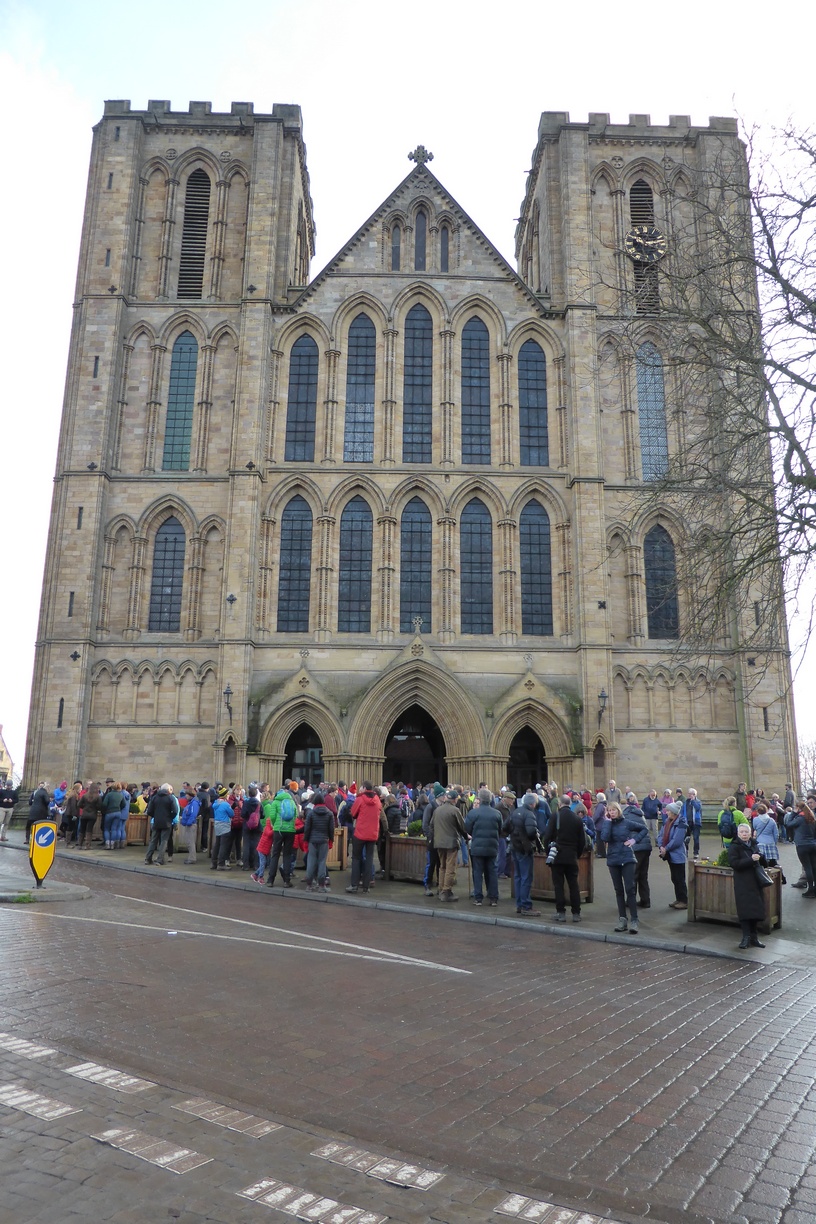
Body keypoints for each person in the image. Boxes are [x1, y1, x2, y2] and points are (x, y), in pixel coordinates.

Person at [544, 795, 585, 923]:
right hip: (572, 856)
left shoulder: (555, 816)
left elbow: (547, 837)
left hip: (557, 856)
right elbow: (582, 842)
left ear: (560, 804)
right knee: (574, 885)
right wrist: (576, 854)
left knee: (558, 885)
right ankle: (576, 913)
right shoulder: (577, 819)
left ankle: (561, 912)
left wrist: (548, 853)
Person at [727, 822, 769, 948]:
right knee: (745, 910)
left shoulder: (754, 844)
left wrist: (761, 857)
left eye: (746, 832)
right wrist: (751, 859)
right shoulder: (734, 847)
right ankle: (745, 937)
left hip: (755, 882)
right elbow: (734, 863)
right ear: (738, 834)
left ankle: (754, 937)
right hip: (742, 882)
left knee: (755, 910)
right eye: (742, 832)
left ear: (750, 833)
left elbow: (764, 864)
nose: (744, 835)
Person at [601, 801, 639, 933]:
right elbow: (604, 837)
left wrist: (634, 840)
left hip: (627, 858)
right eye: (609, 810)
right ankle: (622, 919)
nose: (612, 812)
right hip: (613, 859)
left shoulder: (627, 823)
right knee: (618, 890)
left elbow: (643, 829)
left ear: (618, 811)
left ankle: (634, 920)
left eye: (614, 810)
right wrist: (607, 822)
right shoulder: (608, 823)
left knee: (630, 889)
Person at [503, 794, 542, 917]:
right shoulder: (529, 814)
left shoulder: (515, 812)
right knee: (526, 877)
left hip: (515, 847)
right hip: (525, 848)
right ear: (533, 804)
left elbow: (505, 827)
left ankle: (520, 904)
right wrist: (534, 837)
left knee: (518, 877)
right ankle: (526, 905)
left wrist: (515, 834)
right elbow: (531, 832)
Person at [465, 788, 502, 906]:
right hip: (492, 846)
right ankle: (493, 898)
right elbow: (500, 830)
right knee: (492, 872)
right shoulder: (497, 813)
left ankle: (478, 897)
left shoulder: (473, 813)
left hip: (477, 847)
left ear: (479, 799)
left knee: (477, 872)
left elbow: (467, 829)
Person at [429, 789, 467, 902]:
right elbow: (462, 827)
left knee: (442, 867)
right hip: (451, 843)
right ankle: (446, 891)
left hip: (439, 842)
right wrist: (466, 836)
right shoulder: (455, 810)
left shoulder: (437, 810)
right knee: (450, 868)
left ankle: (441, 889)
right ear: (455, 800)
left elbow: (431, 825)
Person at [346, 781, 382, 894]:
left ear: (364, 788)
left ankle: (354, 885)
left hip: (360, 833)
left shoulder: (360, 799)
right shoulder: (377, 800)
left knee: (356, 859)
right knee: (369, 859)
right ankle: (366, 887)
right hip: (372, 834)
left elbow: (353, 813)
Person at [265, 782, 299, 887]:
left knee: (275, 854)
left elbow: (272, 816)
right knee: (287, 855)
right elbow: (296, 815)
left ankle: (271, 880)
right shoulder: (292, 802)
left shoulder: (275, 802)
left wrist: (275, 825)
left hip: (278, 830)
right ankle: (286, 881)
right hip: (290, 831)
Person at [623, 794, 652, 908]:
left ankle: (631, 901)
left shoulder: (626, 816)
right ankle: (646, 900)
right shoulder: (641, 815)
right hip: (646, 848)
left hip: (636, 848)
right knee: (643, 875)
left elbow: (625, 832)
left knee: (633, 875)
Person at [658, 801, 688, 908]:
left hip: (678, 855)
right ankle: (678, 899)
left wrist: (666, 848)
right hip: (670, 854)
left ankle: (684, 901)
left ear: (674, 812)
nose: (666, 812)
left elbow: (677, 840)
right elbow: (661, 834)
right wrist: (661, 845)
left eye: (668, 810)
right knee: (674, 878)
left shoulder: (681, 823)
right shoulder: (667, 821)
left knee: (680, 879)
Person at [303, 791, 334, 892]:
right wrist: (331, 840)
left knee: (311, 861)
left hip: (312, 840)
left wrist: (306, 840)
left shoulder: (311, 813)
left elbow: (307, 828)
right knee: (322, 862)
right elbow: (331, 829)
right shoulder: (329, 813)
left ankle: (309, 884)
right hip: (324, 840)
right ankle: (321, 885)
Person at [784, 801, 816, 898]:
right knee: (814, 867)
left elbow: (788, 824)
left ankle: (810, 890)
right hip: (813, 845)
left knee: (808, 868)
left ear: (799, 809)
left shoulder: (800, 819)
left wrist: (793, 813)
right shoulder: (812, 818)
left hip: (802, 846)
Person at [144, 783, 176, 865]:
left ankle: (148, 858)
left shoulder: (155, 797)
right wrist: (170, 817)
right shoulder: (170, 798)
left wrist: (155, 816)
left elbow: (149, 811)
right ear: (168, 790)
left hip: (156, 821)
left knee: (153, 841)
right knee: (164, 841)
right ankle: (159, 859)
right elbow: (175, 811)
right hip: (167, 822)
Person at [210, 786, 233, 869]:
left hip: (217, 824)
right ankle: (221, 864)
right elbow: (231, 814)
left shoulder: (215, 803)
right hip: (225, 825)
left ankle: (214, 863)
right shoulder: (225, 804)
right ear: (225, 795)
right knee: (224, 845)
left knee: (217, 844)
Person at [683, 788, 703, 857]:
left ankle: (696, 852)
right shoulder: (686, 802)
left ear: (694, 795)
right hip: (687, 822)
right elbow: (683, 812)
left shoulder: (698, 802)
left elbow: (698, 808)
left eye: (690, 794)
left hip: (696, 822)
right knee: (686, 838)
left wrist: (693, 801)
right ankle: (686, 851)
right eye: (688, 793)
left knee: (696, 838)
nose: (689, 795)